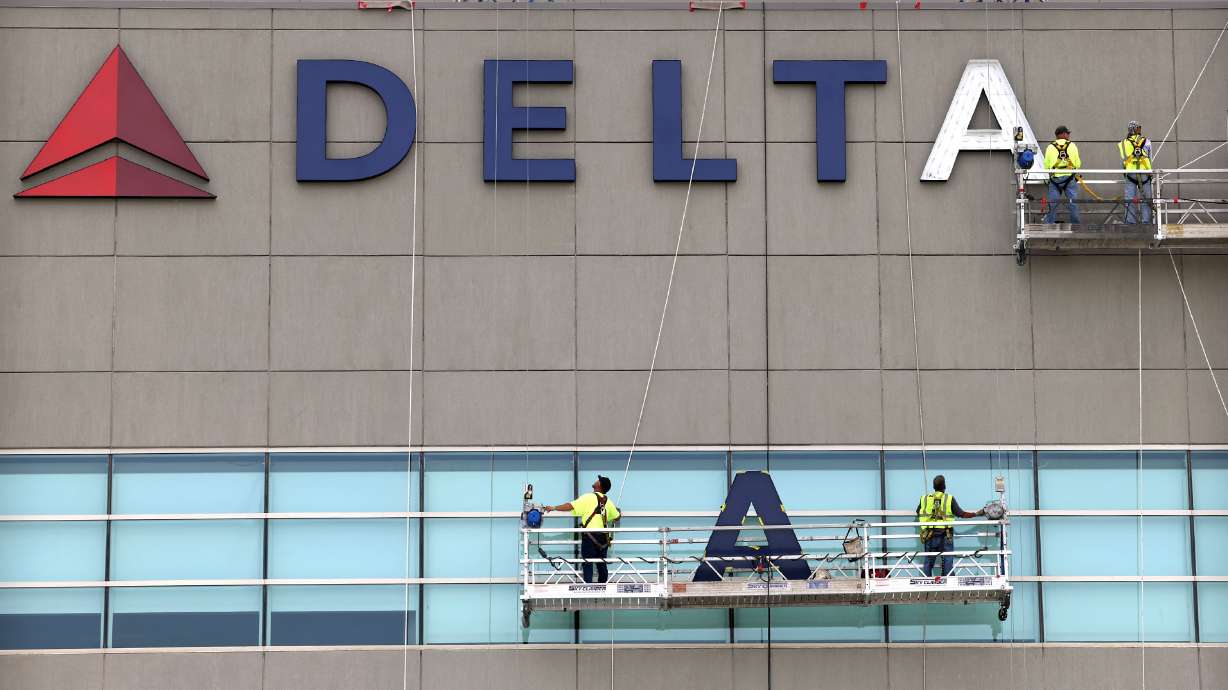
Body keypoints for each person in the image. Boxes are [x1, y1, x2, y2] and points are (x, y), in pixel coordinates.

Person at [543, 476, 621, 583]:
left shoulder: (588, 497)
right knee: (602, 563)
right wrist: (617, 512)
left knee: (587, 563)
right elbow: (617, 517)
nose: (596, 480)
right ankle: (603, 588)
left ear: (599, 485)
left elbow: (570, 506)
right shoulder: (608, 502)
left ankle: (588, 588)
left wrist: (554, 508)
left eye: (598, 480)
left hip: (590, 537)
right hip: (603, 538)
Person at [916, 475, 985, 578]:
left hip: (929, 535)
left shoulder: (925, 499)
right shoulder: (949, 499)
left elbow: (918, 512)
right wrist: (977, 514)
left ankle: (927, 582)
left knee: (928, 562)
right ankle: (949, 580)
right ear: (944, 486)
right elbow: (962, 514)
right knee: (947, 561)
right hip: (945, 535)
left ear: (934, 487)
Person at [1043, 125, 1082, 224]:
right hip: (1069, 179)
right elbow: (1077, 164)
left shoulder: (1050, 147)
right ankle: (1076, 225)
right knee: (1073, 203)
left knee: (1052, 204)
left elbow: (1046, 166)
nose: (1069, 135)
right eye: (1068, 133)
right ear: (1063, 134)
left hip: (1055, 179)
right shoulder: (1072, 146)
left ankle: (1049, 225)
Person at [1118, 120, 1153, 224]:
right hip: (1145, 175)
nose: (1140, 130)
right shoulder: (1147, 142)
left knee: (1130, 200)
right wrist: (1150, 172)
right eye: (1139, 128)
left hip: (1130, 174)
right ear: (1136, 129)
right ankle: (1146, 222)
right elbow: (1150, 159)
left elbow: (1123, 160)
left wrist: (1125, 173)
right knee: (1146, 200)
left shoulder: (1123, 143)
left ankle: (1130, 222)